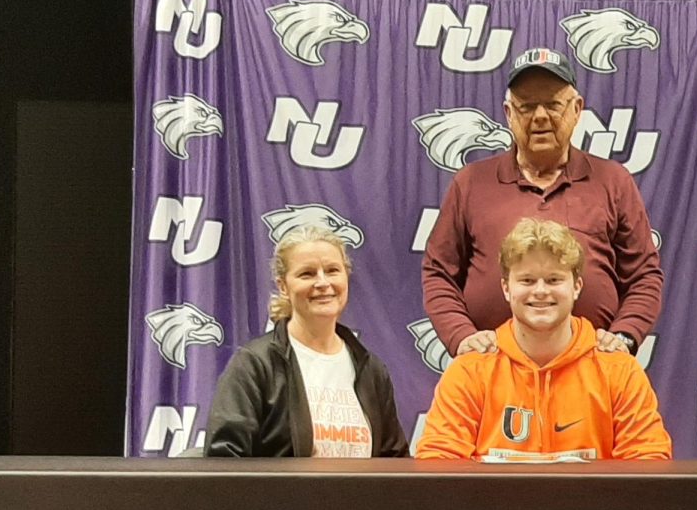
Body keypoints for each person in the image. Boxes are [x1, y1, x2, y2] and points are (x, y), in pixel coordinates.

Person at [422, 46, 663, 359]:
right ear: (508, 114)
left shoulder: (613, 180)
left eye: (552, 105)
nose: (539, 117)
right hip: (491, 371)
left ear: (577, 110)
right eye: (526, 106)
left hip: (592, 371)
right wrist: (461, 336)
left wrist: (624, 335)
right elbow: (438, 273)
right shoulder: (470, 183)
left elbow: (644, 275)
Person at [416, 218, 672, 461]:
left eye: (554, 280)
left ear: (577, 287)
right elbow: (438, 464)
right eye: (527, 280)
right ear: (506, 288)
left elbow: (648, 462)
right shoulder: (471, 371)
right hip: (492, 508)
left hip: (594, 508)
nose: (540, 291)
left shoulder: (618, 371)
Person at [205, 225, 408, 457]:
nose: (323, 283)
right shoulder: (255, 365)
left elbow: (395, 461)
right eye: (307, 274)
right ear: (283, 286)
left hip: (359, 495)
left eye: (332, 270)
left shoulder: (371, 369)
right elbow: (224, 463)